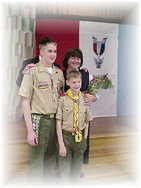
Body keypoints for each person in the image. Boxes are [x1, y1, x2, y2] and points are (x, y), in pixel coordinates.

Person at [18, 36, 64, 186]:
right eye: (49, 51)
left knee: (51, 160)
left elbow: (63, 95)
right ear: (41, 52)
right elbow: (25, 101)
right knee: (37, 162)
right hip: (39, 121)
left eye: (55, 51)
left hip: (55, 122)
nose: (53, 54)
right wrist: (30, 130)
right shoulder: (32, 71)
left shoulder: (59, 73)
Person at [56, 70, 93, 184]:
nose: (77, 85)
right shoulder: (63, 99)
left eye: (78, 82)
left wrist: (85, 138)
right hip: (66, 137)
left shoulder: (84, 99)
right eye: (74, 82)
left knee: (77, 170)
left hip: (79, 137)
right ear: (67, 83)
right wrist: (61, 144)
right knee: (65, 169)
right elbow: (58, 122)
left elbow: (87, 120)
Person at [62, 48, 97, 168]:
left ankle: (76, 169)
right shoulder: (60, 74)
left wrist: (93, 97)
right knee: (65, 143)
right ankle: (64, 169)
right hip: (65, 116)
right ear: (67, 60)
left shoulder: (86, 74)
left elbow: (96, 93)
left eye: (78, 58)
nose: (76, 61)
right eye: (73, 58)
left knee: (80, 142)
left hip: (81, 116)